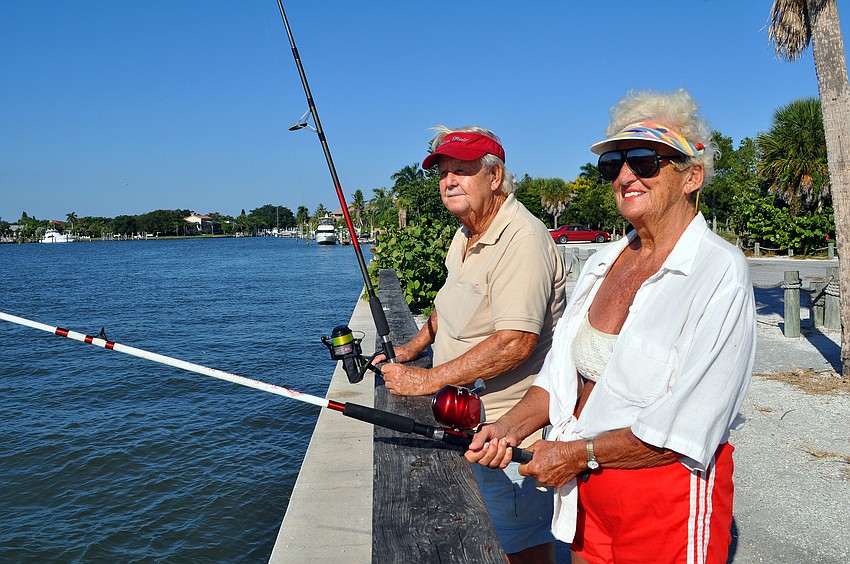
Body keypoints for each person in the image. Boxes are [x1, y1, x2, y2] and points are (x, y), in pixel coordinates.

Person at [465, 89, 756, 564]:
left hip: (667, 499)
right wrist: (507, 428)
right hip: (585, 494)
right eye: (613, 164)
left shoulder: (719, 270)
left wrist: (575, 455)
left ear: (692, 176)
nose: (624, 175)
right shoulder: (602, 262)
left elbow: (688, 427)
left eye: (644, 161)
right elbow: (559, 377)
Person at [375, 125, 567, 563]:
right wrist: (410, 348)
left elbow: (515, 343)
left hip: (508, 425)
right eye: (444, 172)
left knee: (519, 540)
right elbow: (447, 306)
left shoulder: (522, 239)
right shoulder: (465, 234)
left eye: (463, 170)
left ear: (494, 177)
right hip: (465, 415)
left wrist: (425, 379)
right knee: (484, 527)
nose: (449, 181)